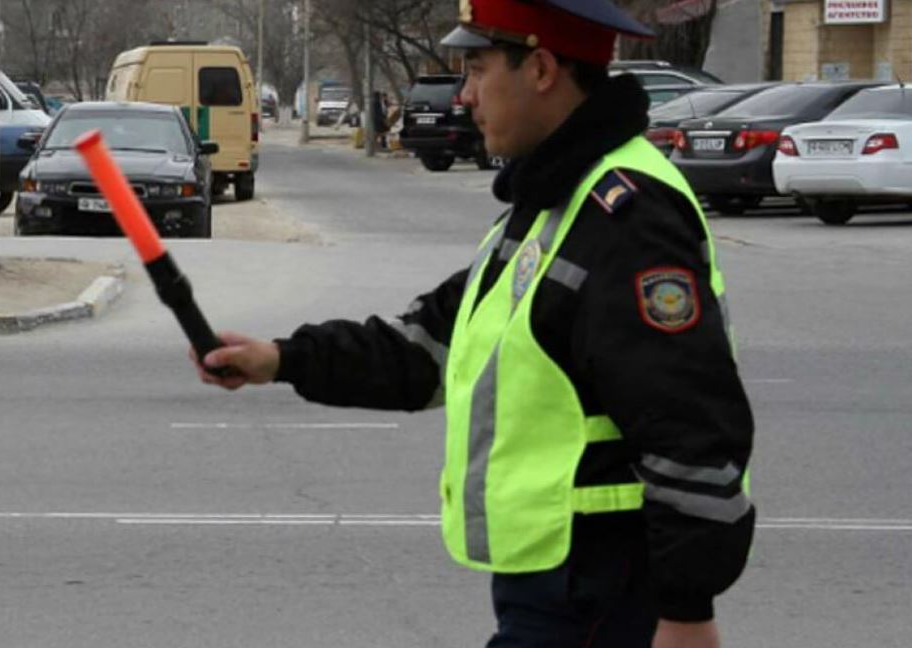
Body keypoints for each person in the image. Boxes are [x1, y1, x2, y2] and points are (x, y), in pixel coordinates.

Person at [191, 1, 755, 646]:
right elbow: (429, 349)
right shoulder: (552, 202)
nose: (463, 96)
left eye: (478, 69)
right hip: (559, 584)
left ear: (541, 68)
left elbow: (691, 423)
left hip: (607, 590)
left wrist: (685, 612)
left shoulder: (625, 214)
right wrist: (281, 359)